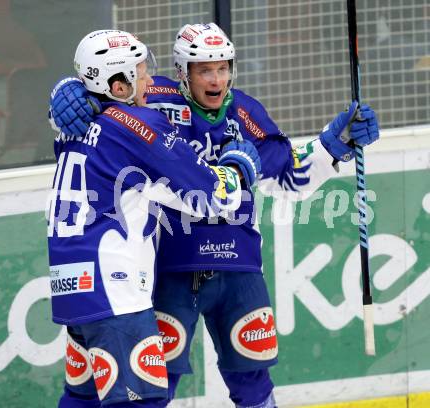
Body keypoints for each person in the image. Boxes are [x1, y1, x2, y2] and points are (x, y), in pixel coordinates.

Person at [49, 23, 379, 408]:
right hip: (168, 271)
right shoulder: (147, 99)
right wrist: (65, 94)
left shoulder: (246, 112)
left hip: (237, 265)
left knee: (251, 378)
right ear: (181, 71)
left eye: (223, 68)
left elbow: (288, 173)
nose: (216, 78)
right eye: (204, 69)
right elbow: (103, 97)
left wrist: (331, 145)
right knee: (151, 387)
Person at [47, 29, 261, 408]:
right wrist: (240, 168)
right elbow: (208, 196)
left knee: (82, 399)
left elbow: (144, 178)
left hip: (73, 288)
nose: (148, 81)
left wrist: (67, 87)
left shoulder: (72, 127)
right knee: (140, 401)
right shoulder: (135, 127)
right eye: (140, 73)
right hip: (116, 292)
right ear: (117, 84)